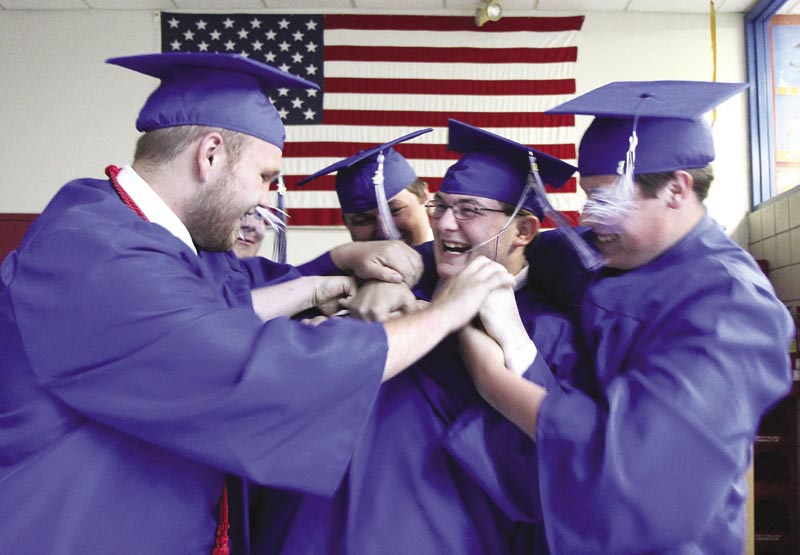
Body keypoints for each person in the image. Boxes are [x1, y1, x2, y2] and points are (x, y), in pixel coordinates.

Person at [0, 52, 517, 554]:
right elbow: (249, 363)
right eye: (267, 178)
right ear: (210, 154)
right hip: (69, 529)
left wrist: (333, 266)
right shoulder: (94, 253)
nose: (269, 201)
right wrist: (444, 311)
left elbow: (226, 293)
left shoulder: (140, 231)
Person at [456, 81, 796, 554]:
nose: (589, 218)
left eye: (605, 198)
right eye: (586, 196)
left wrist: (490, 373)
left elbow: (637, 471)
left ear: (676, 189)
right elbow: (496, 249)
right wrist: (371, 258)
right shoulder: (600, 250)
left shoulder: (732, 308)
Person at [250, 119, 586, 554]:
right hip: (313, 522)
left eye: (469, 210)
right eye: (442, 207)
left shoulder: (549, 330)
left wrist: (492, 339)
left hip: (440, 528)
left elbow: (550, 461)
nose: (446, 224)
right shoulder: (381, 289)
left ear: (523, 231)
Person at [298, 129, 433, 247]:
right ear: (347, 224)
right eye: (363, 220)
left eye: (394, 211)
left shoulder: (452, 267)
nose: (384, 232)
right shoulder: (336, 274)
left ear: (425, 197)